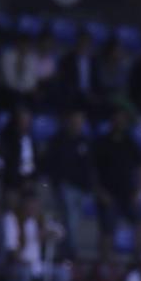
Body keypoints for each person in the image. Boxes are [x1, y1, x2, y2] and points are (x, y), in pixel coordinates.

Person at [91, 108, 141, 248]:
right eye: (117, 119)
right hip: (108, 195)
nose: (119, 123)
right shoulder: (101, 143)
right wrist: (100, 192)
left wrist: (138, 191)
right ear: (111, 122)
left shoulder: (130, 143)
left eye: (122, 120)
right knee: (107, 230)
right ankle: (105, 266)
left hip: (128, 194)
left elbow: (140, 167)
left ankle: (139, 259)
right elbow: (93, 171)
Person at [45, 109, 96, 255]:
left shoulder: (84, 141)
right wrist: (56, 182)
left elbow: (89, 166)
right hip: (65, 186)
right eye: (74, 121)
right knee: (70, 218)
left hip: (81, 188)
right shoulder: (59, 140)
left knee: (74, 220)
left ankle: (67, 248)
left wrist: (89, 186)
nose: (77, 124)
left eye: (80, 121)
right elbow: (52, 163)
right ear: (69, 122)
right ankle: (69, 250)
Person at [3, 190, 69, 281]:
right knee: (24, 273)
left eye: (36, 204)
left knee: (62, 273)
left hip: (37, 266)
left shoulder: (40, 219)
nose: (34, 207)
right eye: (31, 204)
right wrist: (23, 261)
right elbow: (12, 250)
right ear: (24, 204)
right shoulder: (12, 218)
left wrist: (48, 232)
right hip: (18, 265)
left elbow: (60, 232)